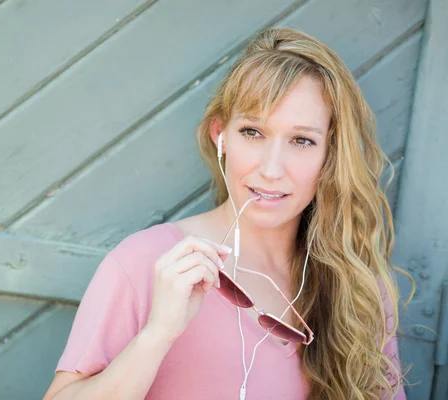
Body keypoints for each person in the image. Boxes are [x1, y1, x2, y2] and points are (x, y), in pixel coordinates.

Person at [43, 27, 411, 399]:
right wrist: (157, 335)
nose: (271, 168)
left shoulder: (359, 290)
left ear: (329, 156)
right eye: (253, 132)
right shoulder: (144, 262)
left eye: (302, 140)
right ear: (221, 136)